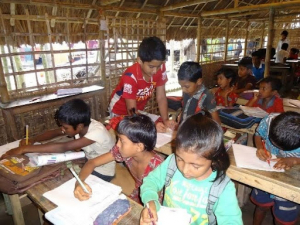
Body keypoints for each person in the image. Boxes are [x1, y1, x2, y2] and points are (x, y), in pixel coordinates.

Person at [139, 112, 242, 225]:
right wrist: (150, 201)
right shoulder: (171, 162)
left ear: (213, 158)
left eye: (195, 166)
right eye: (180, 159)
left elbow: (231, 221)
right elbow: (151, 181)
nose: (185, 170)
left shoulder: (222, 188)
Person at [1, 99, 116, 181]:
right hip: (89, 161)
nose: (62, 129)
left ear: (79, 126)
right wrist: (32, 139)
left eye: (65, 127)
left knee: (63, 182)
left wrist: (24, 149)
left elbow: (63, 147)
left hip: (103, 171)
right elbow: (54, 132)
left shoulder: (97, 132)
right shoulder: (80, 124)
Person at [74, 113, 164, 204]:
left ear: (139, 147)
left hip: (156, 203)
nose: (117, 145)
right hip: (139, 193)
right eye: (118, 139)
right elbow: (92, 163)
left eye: (122, 141)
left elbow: (153, 202)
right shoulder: (125, 152)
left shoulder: (157, 168)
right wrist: (79, 183)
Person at [108, 36, 176, 132]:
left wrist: (165, 120)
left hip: (137, 111)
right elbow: (132, 112)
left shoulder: (160, 68)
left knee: (157, 124)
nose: (155, 71)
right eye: (151, 66)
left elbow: (161, 97)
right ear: (140, 61)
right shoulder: (130, 77)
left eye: (159, 66)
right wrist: (150, 126)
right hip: (120, 111)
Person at [252, 111, 300, 225]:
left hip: (291, 183)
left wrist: (295, 160)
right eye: (272, 142)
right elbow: (258, 134)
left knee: (283, 218)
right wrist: (260, 147)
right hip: (266, 173)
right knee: (261, 206)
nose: (277, 149)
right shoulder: (269, 120)